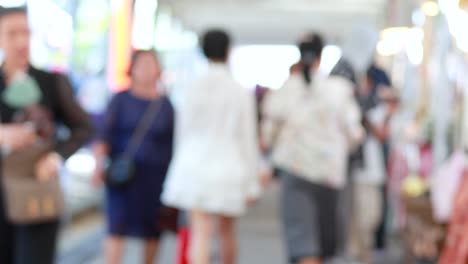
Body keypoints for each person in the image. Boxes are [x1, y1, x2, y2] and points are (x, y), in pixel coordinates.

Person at [0, 6, 93, 264]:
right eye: (12, 33)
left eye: (26, 33)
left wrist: (55, 157)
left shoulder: (51, 82)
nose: (21, 41)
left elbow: (83, 128)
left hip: (36, 193)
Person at [262, 33, 363, 264]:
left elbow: (269, 135)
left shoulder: (285, 90)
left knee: (303, 239)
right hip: (330, 174)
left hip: (295, 170)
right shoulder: (338, 90)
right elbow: (355, 134)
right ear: (320, 56)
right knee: (325, 242)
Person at [162, 29, 261, 264]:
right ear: (228, 52)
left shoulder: (191, 87)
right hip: (229, 168)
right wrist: (252, 182)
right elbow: (247, 138)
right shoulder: (239, 91)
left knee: (200, 233)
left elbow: (181, 134)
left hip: (193, 166)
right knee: (227, 232)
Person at [93, 50, 174, 264]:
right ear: (133, 69)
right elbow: (104, 134)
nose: (147, 70)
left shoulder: (166, 106)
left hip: (155, 178)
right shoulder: (120, 99)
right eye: (142, 64)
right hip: (122, 175)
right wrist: (99, 164)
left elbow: (173, 143)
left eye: (152, 64)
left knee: (153, 228)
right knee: (116, 227)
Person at [349, 79, 399, 263]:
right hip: (363, 175)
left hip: (374, 175)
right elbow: (380, 135)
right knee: (366, 216)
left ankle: (363, 250)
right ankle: (363, 252)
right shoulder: (368, 116)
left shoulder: (377, 115)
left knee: (373, 215)